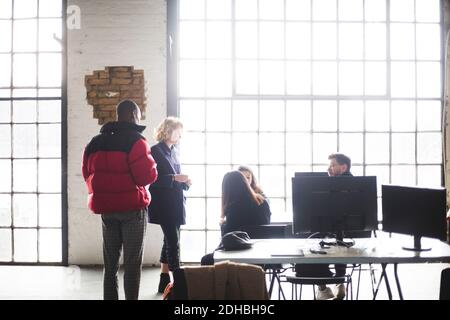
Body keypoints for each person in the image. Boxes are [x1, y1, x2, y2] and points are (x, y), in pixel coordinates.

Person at [82, 99, 158, 300]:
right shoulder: (137, 141)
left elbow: (86, 173)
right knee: (132, 265)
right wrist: (154, 168)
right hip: (133, 210)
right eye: (139, 114)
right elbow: (146, 177)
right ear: (133, 114)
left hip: (107, 210)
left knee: (110, 265)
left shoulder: (95, 143)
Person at [147, 117, 191, 294]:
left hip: (176, 202)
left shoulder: (174, 151)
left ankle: (163, 280)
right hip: (164, 204)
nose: (180, 135)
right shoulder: (155, 150)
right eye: (177, 131)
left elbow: (177, 175)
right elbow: (151, 179)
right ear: (167, 130)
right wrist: (174, 178)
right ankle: (178, 283)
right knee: (173, 241)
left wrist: (186, 181)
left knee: (169, 240)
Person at [306, 153, 352, 300]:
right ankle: (339, 283)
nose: (329, 168)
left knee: (314, 240)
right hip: (349, 235)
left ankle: (323, 286)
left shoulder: (336, 186)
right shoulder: (358, 184)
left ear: (343, 167)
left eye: (333, 165)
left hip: (339, 233)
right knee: (336, 237)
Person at [220, 170, 271, 235]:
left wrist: (222, 225)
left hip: (241, 244)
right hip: (261, 243)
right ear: (245, 183)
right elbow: (266, 225)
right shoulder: (262, 201)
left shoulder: (233, 208)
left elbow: (227, 236)